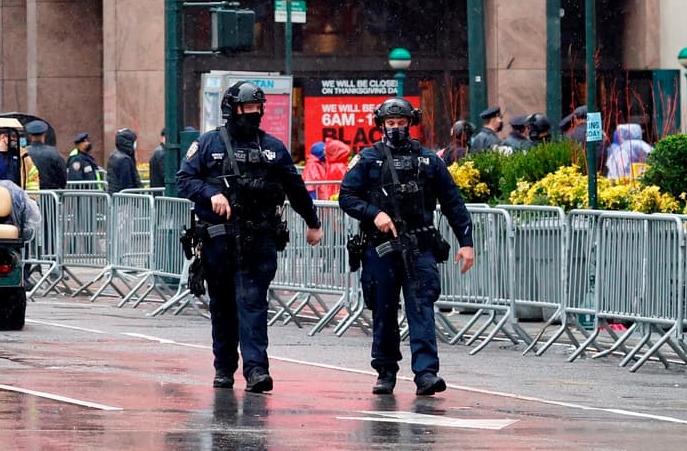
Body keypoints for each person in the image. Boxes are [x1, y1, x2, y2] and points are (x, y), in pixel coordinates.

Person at [177, 80, 324, 393]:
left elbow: (295, 188)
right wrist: (210, 193)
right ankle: (224, 367)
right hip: (219, 239)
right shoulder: (208, 144)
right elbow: (185, 180)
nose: (253, 113)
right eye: (247, 108)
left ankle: (257, 370)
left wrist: (313, 221)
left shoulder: (272, 147)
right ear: (233, 109)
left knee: (253, 303)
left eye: (258, 108)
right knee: (223, 306)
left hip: (258, 238)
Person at [338, 98, 475, 397]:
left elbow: (453, 202)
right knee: (384, 310)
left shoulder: (428, 160)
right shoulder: (368, 159)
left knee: (422, 308)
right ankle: (386, 371)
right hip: (382, 247)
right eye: (391, 124)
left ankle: (426, 374)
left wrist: (467, 243)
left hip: (419, 246)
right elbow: (346, 196)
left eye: (402, 123)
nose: (397, 129)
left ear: (410, 124)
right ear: (381, 125)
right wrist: (375, 214)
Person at [22, 120, 68, 190]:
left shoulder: (23, 152)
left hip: (29, 195)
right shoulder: (54, 153)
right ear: (44, 134)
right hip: (51, 195)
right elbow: (63, 176)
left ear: (29, 135)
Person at [106, 127, 141, 193]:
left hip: (116, 196)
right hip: (125, 199)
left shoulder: (114, 155)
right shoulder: (124, 160)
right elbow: (127, 183)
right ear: (127, 142)